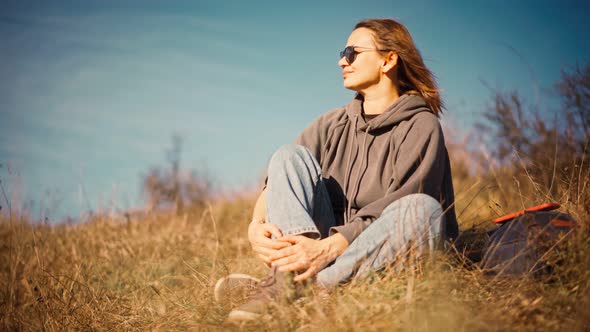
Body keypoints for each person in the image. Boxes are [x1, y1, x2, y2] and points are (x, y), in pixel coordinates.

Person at [221, 18, 458, 322]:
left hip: (376, 248)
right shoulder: (332, 123)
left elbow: (406, 202)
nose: (341, 61)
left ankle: (305, 288)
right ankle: (291, 281)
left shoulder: (421, 126)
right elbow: (279, 179)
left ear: (388, 60)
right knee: (288, 155)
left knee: (422, 210)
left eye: (352, 52)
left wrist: (329, 249)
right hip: (323, 251)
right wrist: (255, 225)